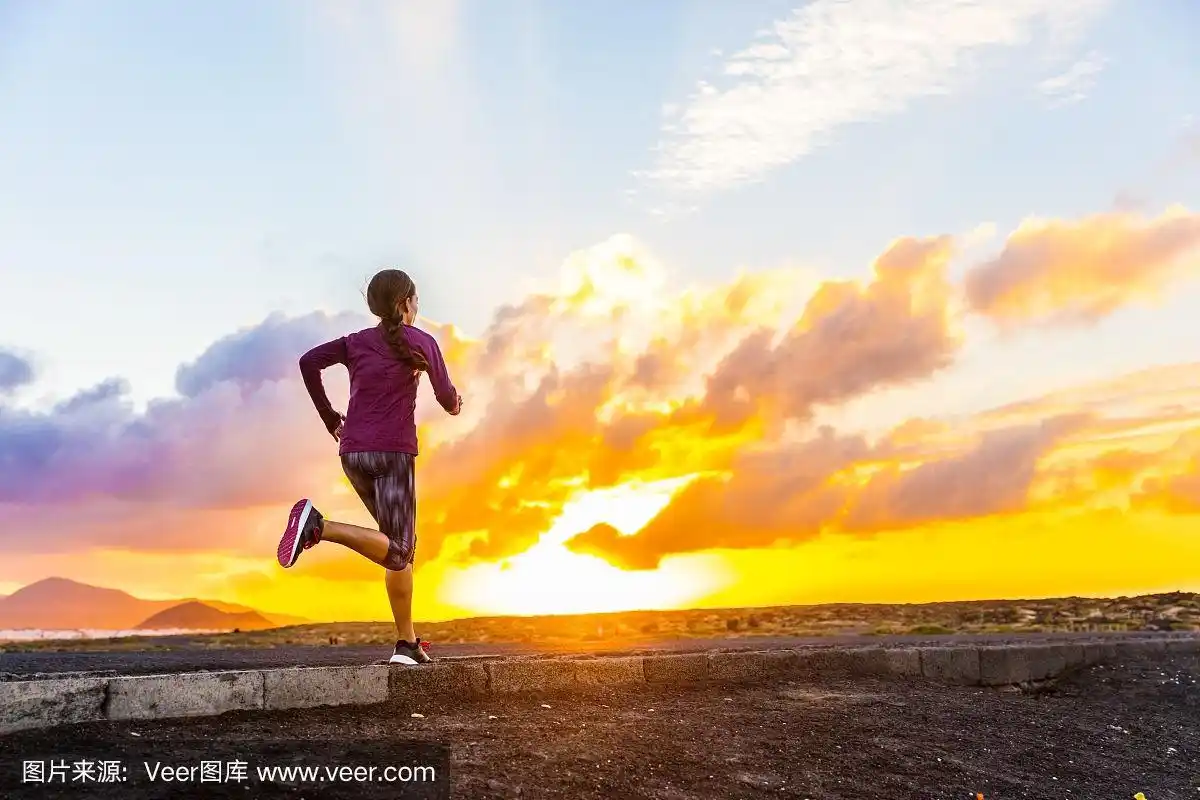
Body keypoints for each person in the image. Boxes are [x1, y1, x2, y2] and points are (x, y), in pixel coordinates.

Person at [278, 268, 462, 666]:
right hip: (391, 453)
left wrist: (330, 417)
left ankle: (407, 644)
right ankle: (318, 526)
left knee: (399, 550)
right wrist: (456, 403)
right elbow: (447, 397)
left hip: (353, 454)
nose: (417, 307)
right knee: (399, 550)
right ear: (404, 304)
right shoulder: (421, 342)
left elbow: (309, 362)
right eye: (416, 300)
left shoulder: (355, 343)